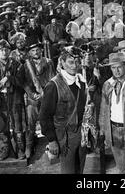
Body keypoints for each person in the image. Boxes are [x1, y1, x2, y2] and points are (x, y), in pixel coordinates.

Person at [39, 46, 88, 174]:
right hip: (64, 137)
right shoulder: (53, 85)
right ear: (62, 62)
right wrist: (52, 140)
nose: (74, 66)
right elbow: (44, 116)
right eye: (71, 62)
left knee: (80, 169)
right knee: (68, 171)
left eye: (77, 62)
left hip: (81, 133)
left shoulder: (81, 81)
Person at [0, 39, 26, 160]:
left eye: (6, 50)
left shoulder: (17, 64)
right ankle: (6, 149)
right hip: (0, 99)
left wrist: (9, 78)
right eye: (1, 50)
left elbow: (21, 81)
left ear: (9, 51)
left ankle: (20, 149)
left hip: (14, 98)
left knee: (18, 125)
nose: (4, 52)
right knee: (2, 125)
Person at [23, 37, 55, 159]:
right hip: (33, 98)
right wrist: (31, 94)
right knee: (31, 120)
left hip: (46, 95)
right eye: (33, 51)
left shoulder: (48, 62)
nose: (35, 52)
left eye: (37, 50)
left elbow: (52, 79)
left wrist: (46, 93)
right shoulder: (27, 65)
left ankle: (52, 143)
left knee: (49, 119)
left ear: (41, 50)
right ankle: (29, 145)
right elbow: (25, 83)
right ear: (29, 53)